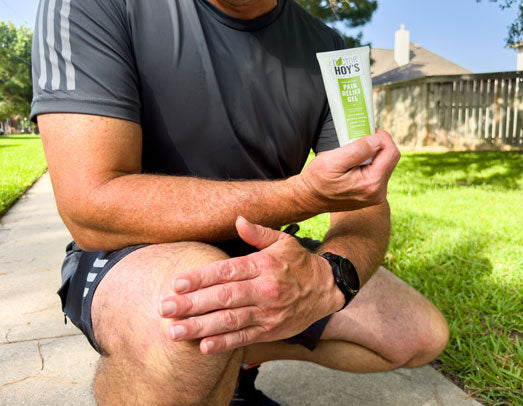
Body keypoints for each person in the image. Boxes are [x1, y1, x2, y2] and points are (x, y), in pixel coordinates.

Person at [31, 0, 449, 404]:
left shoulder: (334, 52)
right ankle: (204, 365)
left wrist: (330, 277)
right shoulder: (94, 5)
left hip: (255, 248)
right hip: (127, 252)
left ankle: (234, 372)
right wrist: (301, 196)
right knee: (195, 311)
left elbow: (365, 201)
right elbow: (92, 204)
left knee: (416, 333)